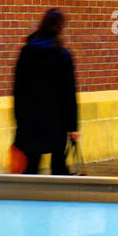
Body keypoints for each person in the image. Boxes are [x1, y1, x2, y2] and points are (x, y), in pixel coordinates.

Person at [12, 9, 79, 174]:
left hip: (30, 119)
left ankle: (29, 198)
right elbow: (69, 93)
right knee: (59, 166)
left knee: (30, 166)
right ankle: (57, 197)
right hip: (56, 120)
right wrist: (73, 127)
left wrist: (19, 118)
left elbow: (18, 88)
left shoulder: (26, 52)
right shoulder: (63, 55)